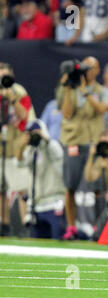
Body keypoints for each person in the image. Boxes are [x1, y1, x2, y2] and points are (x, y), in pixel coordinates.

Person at [58, 57, 108, 240]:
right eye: (85, 67)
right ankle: (71, 227)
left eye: (92, 67)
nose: (88, 70)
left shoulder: (100, 91)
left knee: (97, 187)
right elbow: (67, 113)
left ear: (97, 70)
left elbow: (103, 109)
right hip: (74, 140)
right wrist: (67, 88)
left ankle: (98, 227)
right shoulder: (69, 89)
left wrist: (85, 92)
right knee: (70, 186)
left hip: (94, 142)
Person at [15, 120, 66, 239]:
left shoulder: (51, 145)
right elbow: (19, 163)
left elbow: (58, 154)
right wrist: (21, 147)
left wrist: (45, 138)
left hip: (55, 202)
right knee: (38, 245)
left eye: (35, 132)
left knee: (58, 239)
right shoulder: (32, 151)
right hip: (37, 205)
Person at [0, 62, 32, 236]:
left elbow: (24, 116)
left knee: (21, 189)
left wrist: (12, 99)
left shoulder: (19, 92)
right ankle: (3, 226)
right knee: (1, 190)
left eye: (5, 76)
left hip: (15, 147)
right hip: (0, 146)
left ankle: (25, 225)